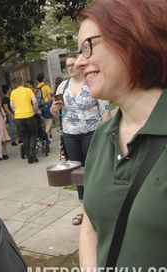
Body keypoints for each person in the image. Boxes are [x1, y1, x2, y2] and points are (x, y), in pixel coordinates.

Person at [75, 0, 167, 268]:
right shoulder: (103, 134)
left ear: (134, 37)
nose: (80, 61)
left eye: (88, 46)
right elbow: (90, 226)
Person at [51, 52, 111, 226]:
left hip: (92, 132)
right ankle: (83, 207)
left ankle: (100, 204)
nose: (69, 67)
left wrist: (106, 133)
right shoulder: (62, 86)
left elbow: (105, 110)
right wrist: (54, 110)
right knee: (78, 173)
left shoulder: (92, 81)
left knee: (94, 169)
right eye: (67, 65)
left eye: (72, 64)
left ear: (80, 64)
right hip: (71, 135)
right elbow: (55, 112)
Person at [10, 77, 39, 164]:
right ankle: (31, 152)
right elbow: (35, 101)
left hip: (19, 117)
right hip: (29, 115)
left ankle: (29, 155)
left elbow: (12, 105)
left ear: (15, 84)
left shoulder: (13, 93)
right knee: (34, 134)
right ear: (22, 82)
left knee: (24, 137)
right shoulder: (28, 90)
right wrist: (35, 110)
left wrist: (16, 111)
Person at [36, 73, 54, 139]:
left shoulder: (37, 87)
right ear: (43, 78)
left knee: (46, 121)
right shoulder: (46, 86)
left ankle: (48, 137)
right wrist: (52, 103)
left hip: (41, 106)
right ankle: (45, 134)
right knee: (51, 120)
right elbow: (49, 97)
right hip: (46, 104)